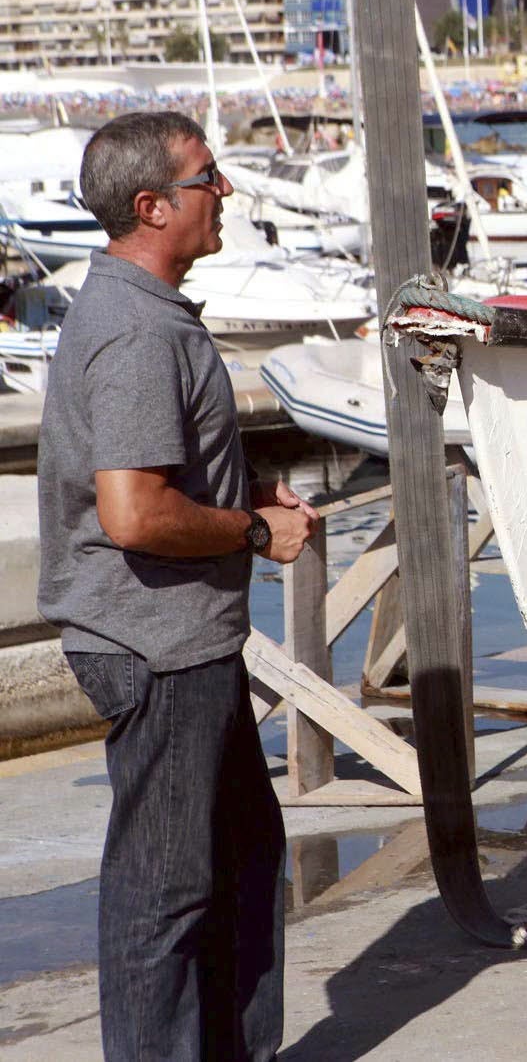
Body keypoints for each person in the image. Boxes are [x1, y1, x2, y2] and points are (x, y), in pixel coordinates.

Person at [37, 111, 318, 1062]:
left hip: (186, 638)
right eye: (209, 178)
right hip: (155, 646)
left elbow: (161, 479)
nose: (227, 191)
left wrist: (241, 487)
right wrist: (251, 527)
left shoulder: (144, 313)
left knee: (242, 857)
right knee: (165, 892)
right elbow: (134, 513)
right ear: (152, 207)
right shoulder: (133, 332)